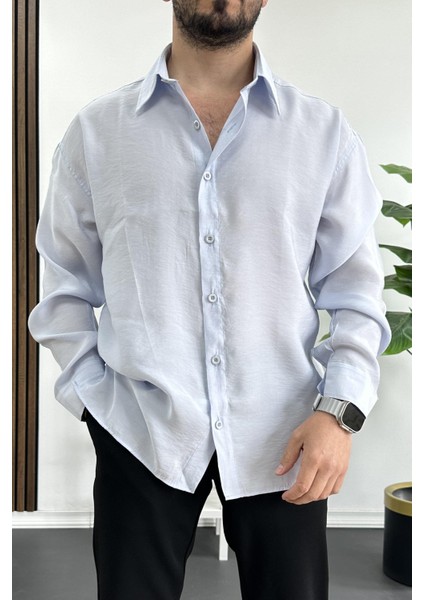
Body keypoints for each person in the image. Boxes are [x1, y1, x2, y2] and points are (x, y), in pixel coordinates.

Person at [28, 1, 391, 598]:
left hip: (287, 433)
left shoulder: (323, 134)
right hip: (140, 430)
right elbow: (63, 287)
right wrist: (94, 402)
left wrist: (338, 413)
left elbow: (357, 293)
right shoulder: (97, 133)